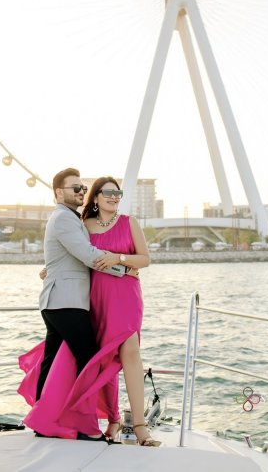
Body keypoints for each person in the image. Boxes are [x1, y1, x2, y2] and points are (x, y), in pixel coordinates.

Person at [17, 167, 133, 441]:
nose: (81, 192)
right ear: (59, 192)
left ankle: (42, 420)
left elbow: (64, 257)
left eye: (82, 188)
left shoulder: (68, 218)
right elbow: (86, 254)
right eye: (75, 188)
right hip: (65, 300)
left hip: (58, 299)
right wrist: (123, 268)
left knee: (52, 360)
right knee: (88, 358)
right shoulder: (64, 219)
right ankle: (86, 427)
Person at [81, 176, 160, 446]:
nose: (114, 197)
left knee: (130, 353)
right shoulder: (84, 226)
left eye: (118, 193)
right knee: (104, 359)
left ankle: (140, 427)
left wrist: (119, 258)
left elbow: (145, 259)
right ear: (95, 197)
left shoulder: (129, 222)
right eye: (108, 193)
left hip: (126, 295)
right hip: (97, 298)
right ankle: (113, 420)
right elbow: (74, 255)